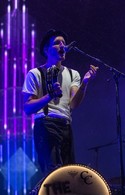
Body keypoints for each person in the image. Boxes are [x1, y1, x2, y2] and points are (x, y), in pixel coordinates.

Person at [22, 29, 98, 175]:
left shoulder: (73, 73)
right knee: (54, 175)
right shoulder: (35, 73)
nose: (63, 45)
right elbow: (27, 108)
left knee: (69, 173)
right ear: (46, 49)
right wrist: (49, 96)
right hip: (46, 125)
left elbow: (74, 104)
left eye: (64, 43)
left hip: (66, 126)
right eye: (57, 43)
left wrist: (85, 83)